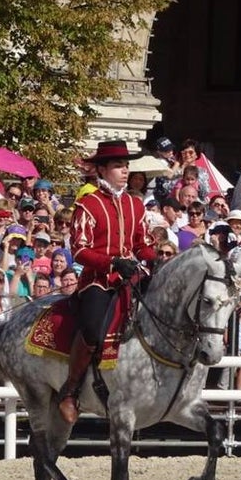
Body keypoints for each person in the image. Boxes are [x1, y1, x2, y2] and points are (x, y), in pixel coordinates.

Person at [58, 140, 155, 423]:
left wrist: (158, 257)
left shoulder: (136, 205)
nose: (125, 171)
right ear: (101, 169)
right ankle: (70, 390)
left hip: (133, 277)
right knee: (91, 330)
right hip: (98, 281)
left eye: (126, 165)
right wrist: (112, 262)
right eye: (117, 166)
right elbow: (79, 250)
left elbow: (142, 245)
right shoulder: (87, 204)